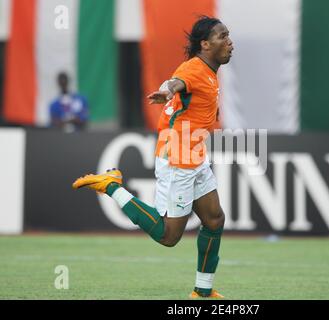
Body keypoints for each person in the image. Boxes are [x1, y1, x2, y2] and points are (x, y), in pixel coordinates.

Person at [72, 16, 233, 298]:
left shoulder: (210, 71)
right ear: (205, 44)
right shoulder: (194, 69)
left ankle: (202, 293)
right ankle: (111, 186)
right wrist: (166, 90)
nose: (230, 42)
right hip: (178, 159)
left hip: (194, 155)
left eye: (229, 35)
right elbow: (176, 81)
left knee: (214, 219)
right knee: (168, 236)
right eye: (223, 36)